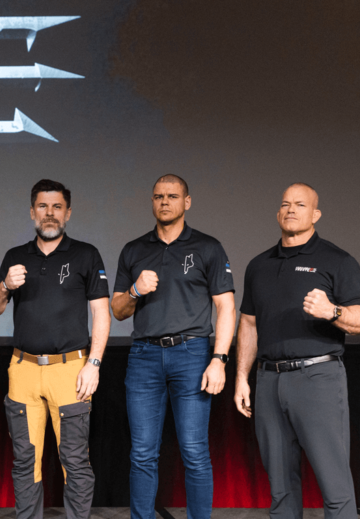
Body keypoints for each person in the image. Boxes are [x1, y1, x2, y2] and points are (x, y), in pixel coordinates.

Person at [234, 183, 360, 519]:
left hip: (317, 378)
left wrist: (333, 311)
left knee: (335, 486)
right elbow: (249, 324)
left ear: (316, 214)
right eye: (285, 204)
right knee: (280, 490)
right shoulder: (259, 265)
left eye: (300, 204)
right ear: (278, 213)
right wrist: (241, 377)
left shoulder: (337, 260)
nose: (291, 210)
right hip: (269, 381)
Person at [0, 179, 111, 519]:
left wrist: (94, 363)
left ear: (67, 213)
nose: (49, 213)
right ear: (32, 212)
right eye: (43, 206)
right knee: (25, 461)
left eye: (57, 207)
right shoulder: (15, 257)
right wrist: (5, 285)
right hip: (23, 370)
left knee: (75, 460)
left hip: (71, 371)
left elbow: (101, 312)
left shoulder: (86, 254)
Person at [110, 175, 236, 519]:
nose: (164, 202)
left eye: (172, 196)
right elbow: (118, 310)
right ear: (152, 202)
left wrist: (219, 359)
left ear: (187, 202)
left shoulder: (208, 247)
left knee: (194, 451)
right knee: (142, 454)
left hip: (192, 354)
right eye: (158, 196)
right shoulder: (134, 250)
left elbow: (226, 307)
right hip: (144, 356)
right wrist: (135, 290)